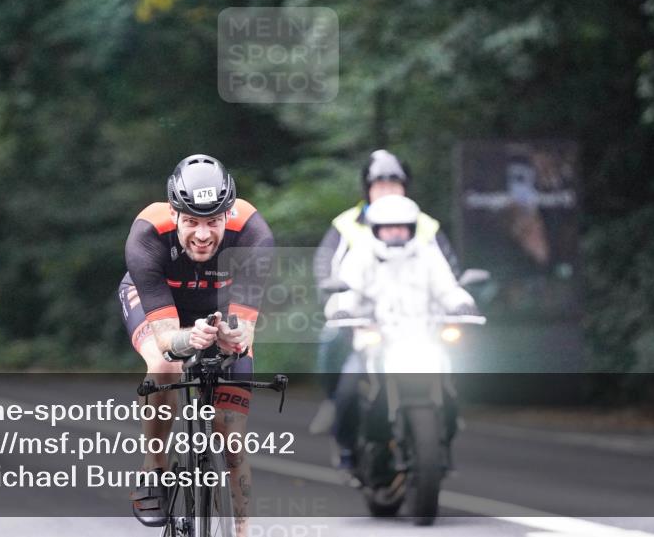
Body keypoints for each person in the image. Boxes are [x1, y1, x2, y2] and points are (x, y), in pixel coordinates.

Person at [119, 154, 273, 536]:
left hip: (219, 309)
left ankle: (241, 531)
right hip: (159, 306)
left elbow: (244, 331)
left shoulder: (253, 234)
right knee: (166, 364)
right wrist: (189, 338)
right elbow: (167, 339)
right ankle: (155, 466)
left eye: (213, 221)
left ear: (228, 214)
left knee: (232, 440)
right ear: (174, 214)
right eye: (191, 221)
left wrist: (231, 337)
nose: (202, 234)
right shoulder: (147, 235)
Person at [310, 149, 460, 434]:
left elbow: (447, 270)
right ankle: (332, 400)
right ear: (367, 189)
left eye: (394, 185)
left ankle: (446, 410)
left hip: (418, 319)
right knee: (332, 340)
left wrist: (457, 301)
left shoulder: (425, 225)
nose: (388, 191)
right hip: (363, 318)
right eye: (380, 186)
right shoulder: (347, 224)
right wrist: (334, 300)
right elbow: (325, 264)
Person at [326, 195, 478, 471]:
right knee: (347, 391)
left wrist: (462, 303)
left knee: (453, 387)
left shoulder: (427, 254)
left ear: (412, 229)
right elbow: (347, 290)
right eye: (388, 228)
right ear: (375, 229)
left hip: (423, 340)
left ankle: (443, 442)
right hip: (375, 343)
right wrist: (342, 309)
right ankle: (347, 448)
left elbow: (448, 288)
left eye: (401, 227)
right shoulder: (361, 255)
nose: (395, 233)